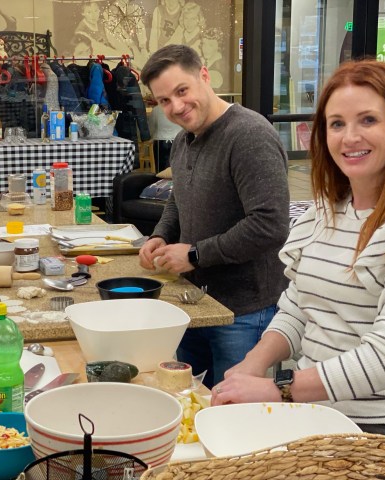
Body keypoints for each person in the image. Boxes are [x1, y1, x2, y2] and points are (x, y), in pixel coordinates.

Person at [211, 60, 385, 475]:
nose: (350, 137)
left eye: (368, 120)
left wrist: (277, 388)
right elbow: (300, 306)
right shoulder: (325, 213)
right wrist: (254, 362)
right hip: (320, 422)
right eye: (336, 123)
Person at [138, 44, 290, 388]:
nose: (176, 107)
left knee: (232, 415)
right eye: (164, 100)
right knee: (193, 403)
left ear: (204, 76)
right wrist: (161, 235)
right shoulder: (183, 140)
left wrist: (195, 255)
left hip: (245, 311)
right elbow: (181, 196)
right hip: (197, 301)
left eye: (182, 91)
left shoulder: (249, 135)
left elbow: (270, 224)